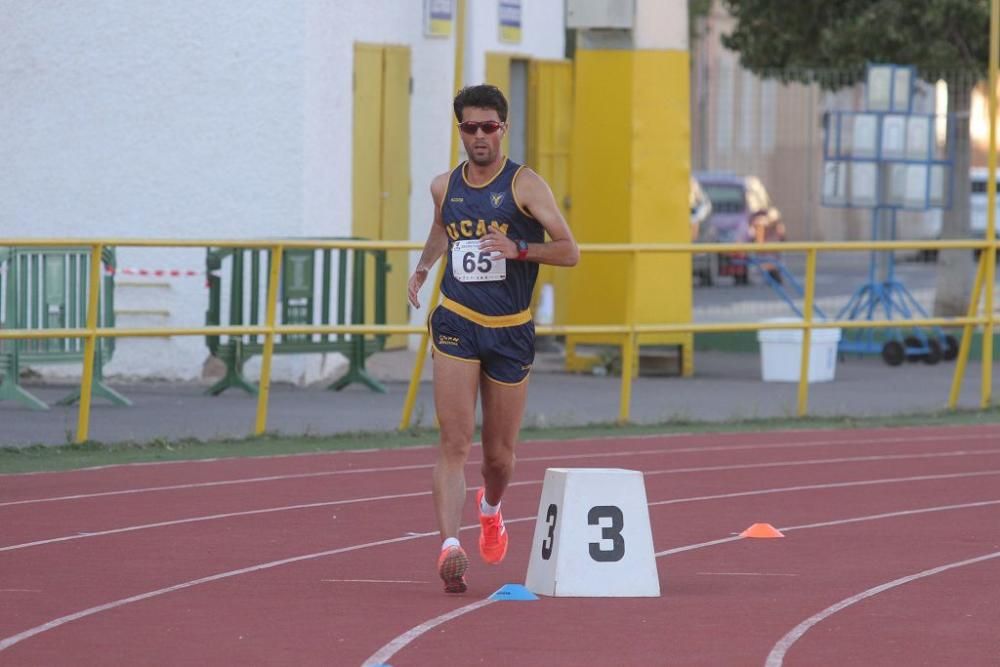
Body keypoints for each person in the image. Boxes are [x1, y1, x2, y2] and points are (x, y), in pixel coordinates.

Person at [407, 84, 579, 594]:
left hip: (510, 330)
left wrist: (518, 248)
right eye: (469, 127)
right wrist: (422, 268)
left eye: (489, 127)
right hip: (457, 320)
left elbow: (569, 251)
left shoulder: (525, 185)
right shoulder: (444, 185)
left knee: (498, 457)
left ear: (503, 128)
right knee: (453, 441)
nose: (479, 136)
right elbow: (444, 229)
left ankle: (491, 509)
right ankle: (448, 547)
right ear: (459, 130)